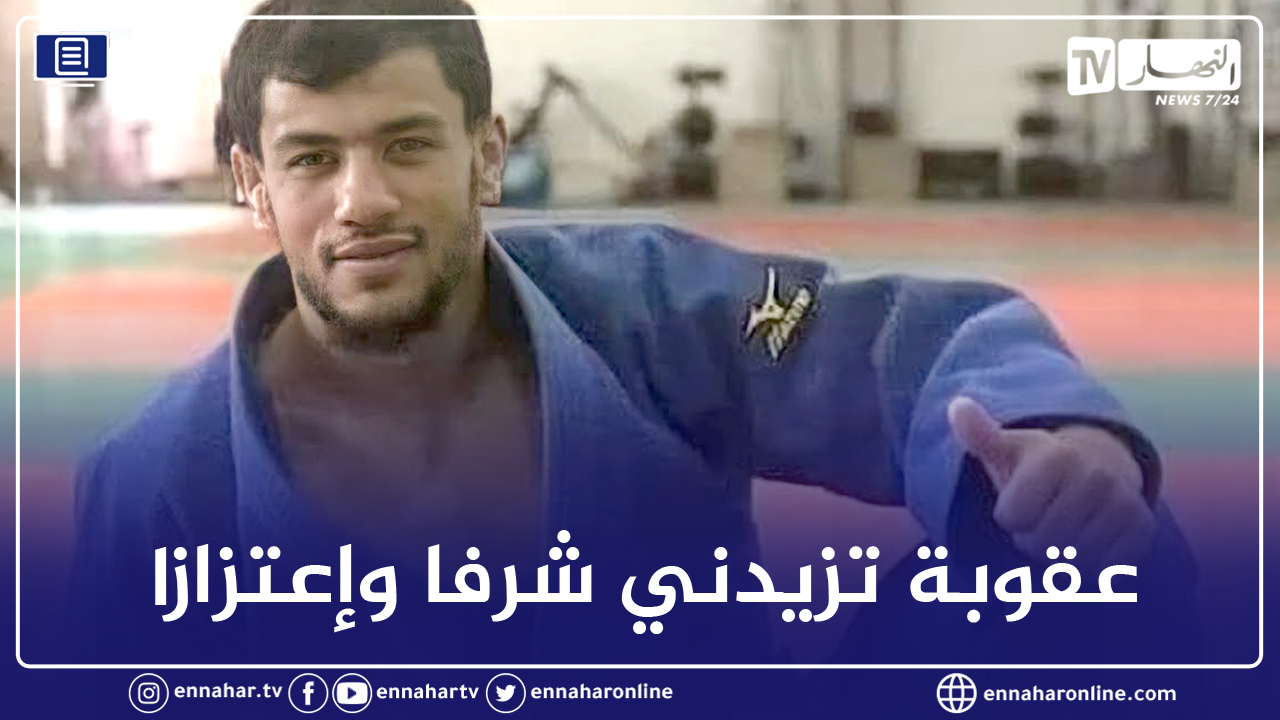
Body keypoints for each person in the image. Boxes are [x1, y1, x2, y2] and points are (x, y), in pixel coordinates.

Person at [70, 0, 1198, 681]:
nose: (361, 200)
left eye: (407, 145)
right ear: (251, 183)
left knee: (1090, 567)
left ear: (486, 154)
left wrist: (1063, 449)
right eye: (313, 158)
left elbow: (903, 347)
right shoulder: (155, 485)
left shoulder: (645, 309)